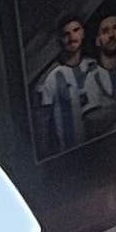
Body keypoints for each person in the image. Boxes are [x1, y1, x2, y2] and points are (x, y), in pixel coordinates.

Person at [32, 16, 86, 152]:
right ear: (60, 39)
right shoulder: (50, 78)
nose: (72, 36)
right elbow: (42, 124)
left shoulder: (93, 65)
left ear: (83, 33)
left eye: (76, 30)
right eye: (66, 34)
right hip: (69, 153)